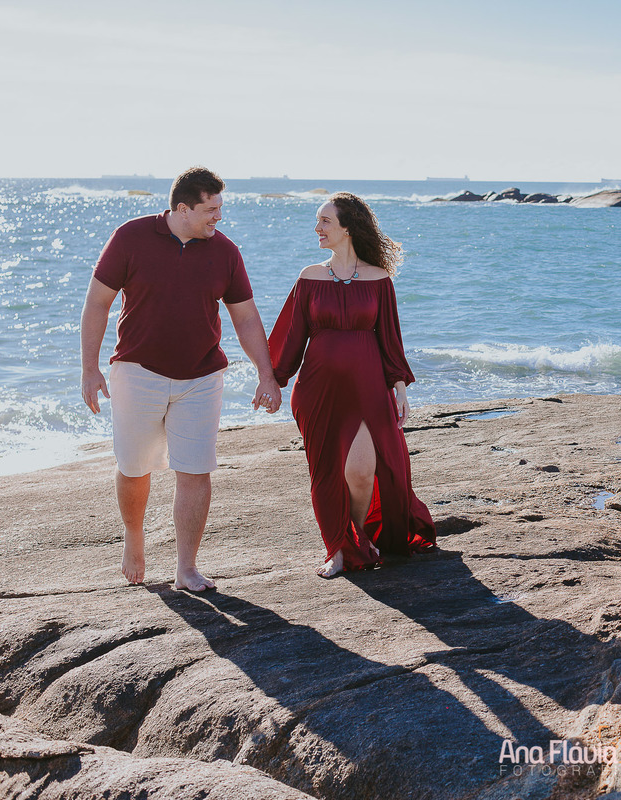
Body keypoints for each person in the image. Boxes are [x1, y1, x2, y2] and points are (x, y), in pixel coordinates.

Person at [80, 166, 281, 592]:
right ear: (183, 209)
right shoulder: (130, 237)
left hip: (201, 377)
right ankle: (134, 538)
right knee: (134, 468)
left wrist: (267, 374)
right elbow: (98, 302)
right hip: (137, 372)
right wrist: (90, 368)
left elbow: (244, 317)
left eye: (220, 208)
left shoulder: (224, 251)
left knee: (195, 470)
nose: (219, 218)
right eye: (211, 210)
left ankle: (186, 568)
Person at [269, 192, 436, 578]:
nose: (318, 228)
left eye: (325, 221)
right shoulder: (309, 277)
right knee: (328, 472)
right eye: (318, 221)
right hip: (319, 391)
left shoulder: (379, 280)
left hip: (367, 389)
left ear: (347, 227)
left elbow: (390, 339)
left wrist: (399, 386)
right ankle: (338, 550)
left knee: (362, 471)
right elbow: (290, 338)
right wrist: (273, 380)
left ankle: (358, 535)